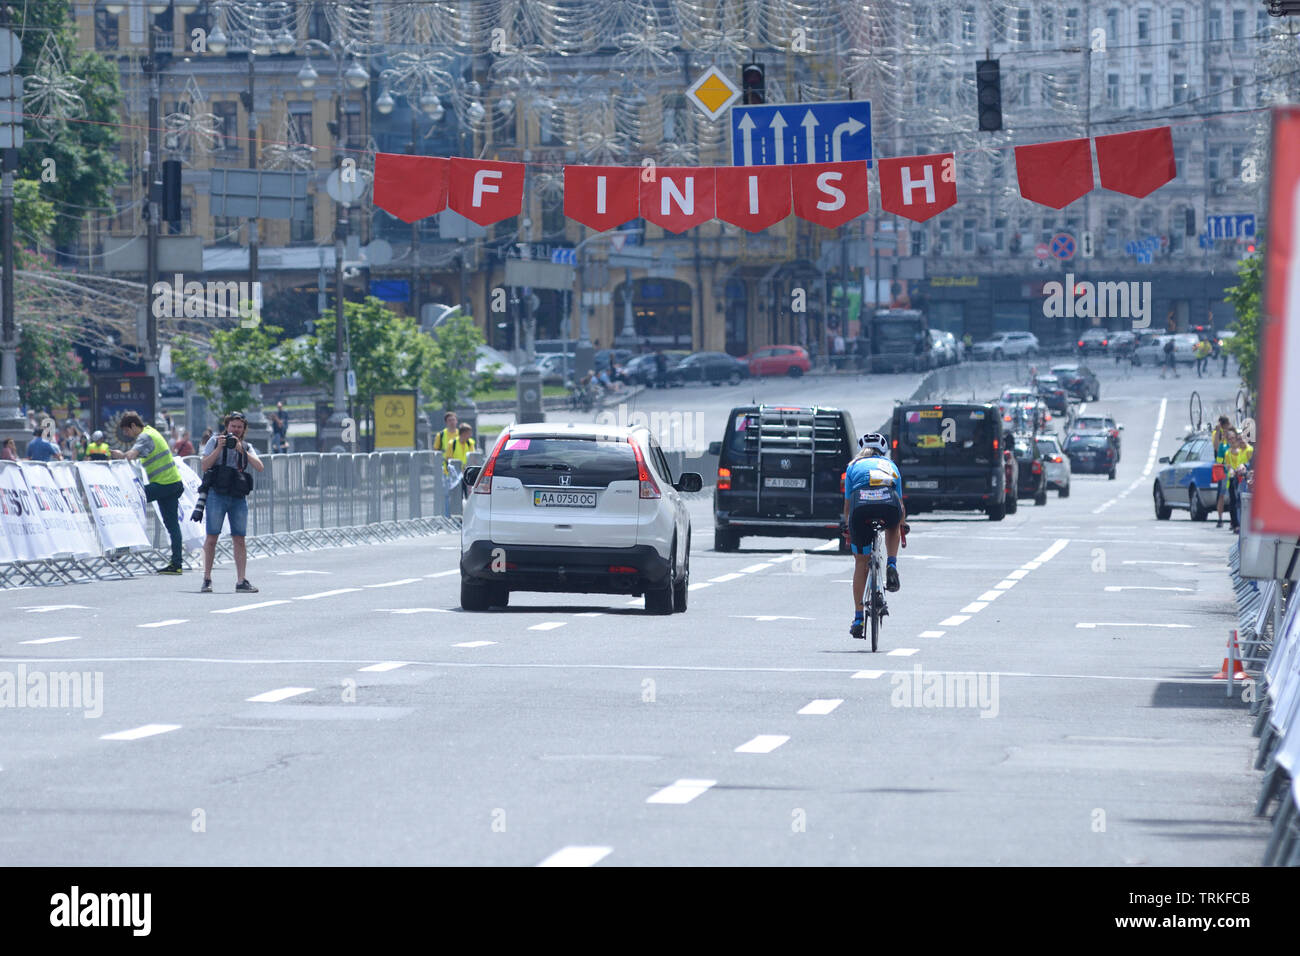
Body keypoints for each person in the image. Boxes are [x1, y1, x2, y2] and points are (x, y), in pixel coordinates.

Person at [842, 432, 908, 640]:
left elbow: (847, 505)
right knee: (893, 525)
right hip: (888, 505)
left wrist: (848, 526)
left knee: (861, 562)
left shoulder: (853, 466)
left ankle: (859, 618)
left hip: (861, 508)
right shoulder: (891, 466)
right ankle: (891, 563)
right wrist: (902, 524)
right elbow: (901, 503)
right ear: (883, 450)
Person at [197, 411, 265, 593]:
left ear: (244, 430)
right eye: (233, 426)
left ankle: (241, 580)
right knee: (211, 538)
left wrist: (242, 450)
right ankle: (207, 578)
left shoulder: (246, 445)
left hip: (237, 496)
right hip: (216, 495)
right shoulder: (214, 440)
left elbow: (259, 467)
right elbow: (204, 465)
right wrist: (219, 448)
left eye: (239, 427)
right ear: (226, 426)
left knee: (239, 538)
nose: (235, 430)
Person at [114, 411, 186, 574]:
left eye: (126, 431)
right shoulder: (152, 432)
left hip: (163, 484)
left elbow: (131, 455)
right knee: (172, 525)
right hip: (172, 483)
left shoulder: (144, 437)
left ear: (133, 426)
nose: (127, 435)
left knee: (130, 501)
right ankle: (176, 564)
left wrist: (120, 455)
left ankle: (123, 546)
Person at [1225, 430, 1253, 533]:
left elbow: (1251, 464)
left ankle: (1242, 524)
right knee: (1236, 502)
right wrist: (1234, 470)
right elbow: (1232, 465)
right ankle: (1237, 524)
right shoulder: (1234, 451)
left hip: (1246, 478)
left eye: (1241, 439)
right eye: (1239, 439)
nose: (1239, 441)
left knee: (1243, 502)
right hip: (1236, 478)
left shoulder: (1249, 450)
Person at [1212, 417, 1232, 528]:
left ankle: (1232, 520)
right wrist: (1218, 432)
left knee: (1232, 494)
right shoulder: (1217, 434)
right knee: (1221, 494)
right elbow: (1216, 447)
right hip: (1221, 468)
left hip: (1231, 467)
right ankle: (1220, 519)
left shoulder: (1232, 434)